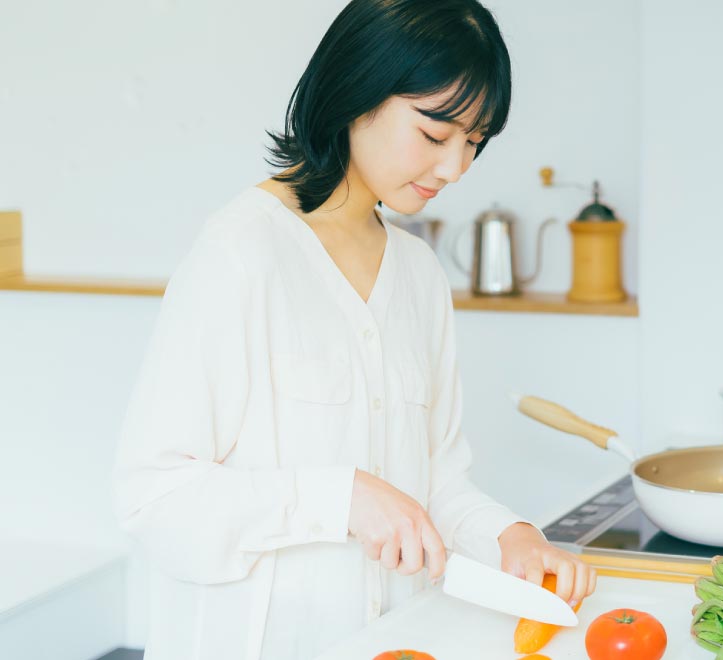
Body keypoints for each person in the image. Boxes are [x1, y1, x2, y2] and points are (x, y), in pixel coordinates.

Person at [112, 1, 596, 658]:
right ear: (357, 90)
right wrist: (340, 496)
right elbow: (154, 498)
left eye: (475, 142)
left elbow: (436, 482)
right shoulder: (240, 251)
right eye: (436, 134)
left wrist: (509, 536)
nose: (456, 167)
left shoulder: (419, 274)